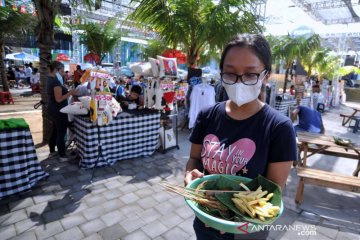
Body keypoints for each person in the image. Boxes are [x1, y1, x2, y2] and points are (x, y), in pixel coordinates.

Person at [184, 34, 297, 240]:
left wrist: (234, 219)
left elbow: (272, 193)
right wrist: (191, 173)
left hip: (247, 231)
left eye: (250, 74)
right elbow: (194, 159)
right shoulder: (207, 116)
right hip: (206, 219)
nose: (239, 81)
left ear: (266, 76)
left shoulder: (279, 128)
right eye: (230, 73)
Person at [46, 61, 77, 160]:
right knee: (61, 132)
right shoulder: (55, 81)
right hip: (58, 110)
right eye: (63, 71)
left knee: (55, 130)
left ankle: (52, 151)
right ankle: (62, 155)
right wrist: (70, 93)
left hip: (53, 108)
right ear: (56, 70)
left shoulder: (50, 78)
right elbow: (58, 99)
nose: (64, 73)